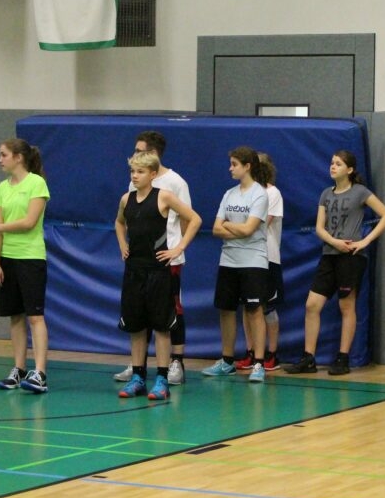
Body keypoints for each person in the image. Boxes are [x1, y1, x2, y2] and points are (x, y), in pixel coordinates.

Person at [285, 150, 385, 375]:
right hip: (329, 255)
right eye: (332, 163)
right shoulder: (326, 194)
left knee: (346, 306)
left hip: (351, 258)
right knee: (312, 305)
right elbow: (319, 228)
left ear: (350, 169)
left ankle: (343, 358)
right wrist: (335, 242)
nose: (333, 166)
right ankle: (308, 358)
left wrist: (365, 241)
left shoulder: (360, 192)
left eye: (338, 164)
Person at [115, 152, 201, 400]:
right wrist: (122, 244)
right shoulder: (126, 199)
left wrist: (178, 248)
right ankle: (138, 377)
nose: (135, 176)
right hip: (134, 271)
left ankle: (162, 379)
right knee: (136, 326)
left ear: (153, 174)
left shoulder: (164, 196)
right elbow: (119, 223)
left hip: (158, 271)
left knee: (162, 327)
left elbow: (194, 219)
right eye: (133, 171)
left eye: (140, 172)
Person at [202, 147, 271, 383]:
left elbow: (249, 229)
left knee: (254, 310)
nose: (230, 168)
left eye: (234, 164)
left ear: (247, 166)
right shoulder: (229, 194)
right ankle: (227, 361)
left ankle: (258, 363)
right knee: (226, 309)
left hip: (253, 260)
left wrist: (230, 226)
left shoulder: (260, 195)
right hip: (228, 260)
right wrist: (236, 229)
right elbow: (215, 228)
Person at [0, 138, 52, 394]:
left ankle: (40, 373)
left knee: (35, 316)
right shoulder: (2, 188)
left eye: (3, 155)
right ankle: (19, 369)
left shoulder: (37, 184)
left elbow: (29, 222)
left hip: (30, 257)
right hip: (8, 258)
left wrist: (0, 227)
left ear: (18, 157)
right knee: (15, 316)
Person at [236, 152, 284, 372]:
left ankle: (271, 354)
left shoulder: (272, 193)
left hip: (267, 258)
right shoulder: (242, 193)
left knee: (267, 307)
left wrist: (240, 226)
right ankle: (252, 351)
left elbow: (258, 224)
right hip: (245, 258)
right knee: (248, 306)